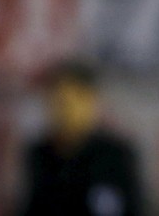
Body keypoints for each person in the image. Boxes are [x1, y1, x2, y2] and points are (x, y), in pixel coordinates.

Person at [19, 59, 142, 216]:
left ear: (93, 101)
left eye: (77, 99)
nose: (67, 109)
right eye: (60, 100)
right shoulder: (39, 154)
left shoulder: (116, 156)